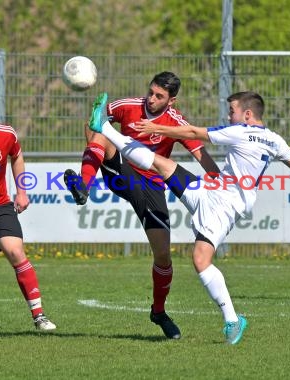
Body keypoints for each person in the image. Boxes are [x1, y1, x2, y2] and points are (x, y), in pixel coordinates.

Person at [85, 91, 290, 344]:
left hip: (224, 205)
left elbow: (193, 133)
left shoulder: (240, 131)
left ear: (247, 115)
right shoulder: (274, 140)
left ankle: (233, 320)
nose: (229, 116)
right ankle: (103, 127)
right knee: (160, 163)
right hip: (211, 191)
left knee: (201, 260)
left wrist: (155, 126)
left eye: (232, 111)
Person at [64, 72, 220, 339]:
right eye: (151, 92)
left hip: (150, 188)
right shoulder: (127, 106)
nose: (151, 98)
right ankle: (84, 186)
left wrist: (218, 182)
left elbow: (200, 153)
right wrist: (92, 143)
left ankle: (158, 312)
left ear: (172, 101)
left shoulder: (174, 121)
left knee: (163, 256)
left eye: (159, 96)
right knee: (103, 132)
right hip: (122, 172)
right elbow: (93, 124)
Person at [0, 88, 56, 330]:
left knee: (16, 252)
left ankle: (39, 315)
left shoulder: (7, 135)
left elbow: (16, 157)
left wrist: (22, 191)